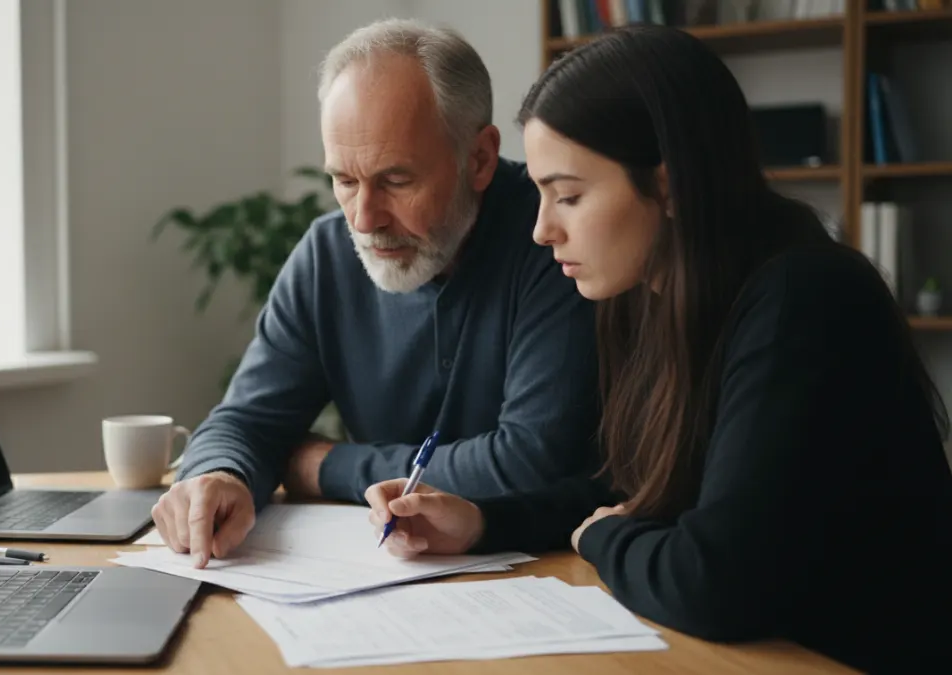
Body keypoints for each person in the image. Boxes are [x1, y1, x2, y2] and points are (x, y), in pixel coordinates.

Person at [363, 25, 952, 674]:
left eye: (569, 195)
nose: (541, 228)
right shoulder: (661, 297)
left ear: (667, 187)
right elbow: (632, 491)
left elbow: (712, 581)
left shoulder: (804, 298)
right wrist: (481, 523)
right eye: (538, 194)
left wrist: (604, 537)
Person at [155, 18, 603, 568]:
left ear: (480, 159)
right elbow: (245, 420)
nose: (364, 220)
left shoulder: (556, 242)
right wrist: (217, 474)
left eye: (396, 181)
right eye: (344, 180)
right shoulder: (327, 252)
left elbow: (531, 462)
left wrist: (324, 466)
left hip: (553, 573)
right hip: (381, 579)